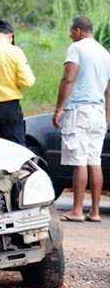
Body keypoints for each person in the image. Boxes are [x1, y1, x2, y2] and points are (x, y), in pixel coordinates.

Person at [52, 16, 110, 223]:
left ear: (78, 30)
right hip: (98, 111)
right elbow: (109, 90)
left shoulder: (76, 48)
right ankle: (94, 212)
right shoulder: (105, 53)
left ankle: (76, 210)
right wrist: (107, 115)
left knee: (79, 162)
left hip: (79, 111)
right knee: (95, 161)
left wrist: (59, 109)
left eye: (71, 31)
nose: (70, 35)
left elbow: (68, 79)